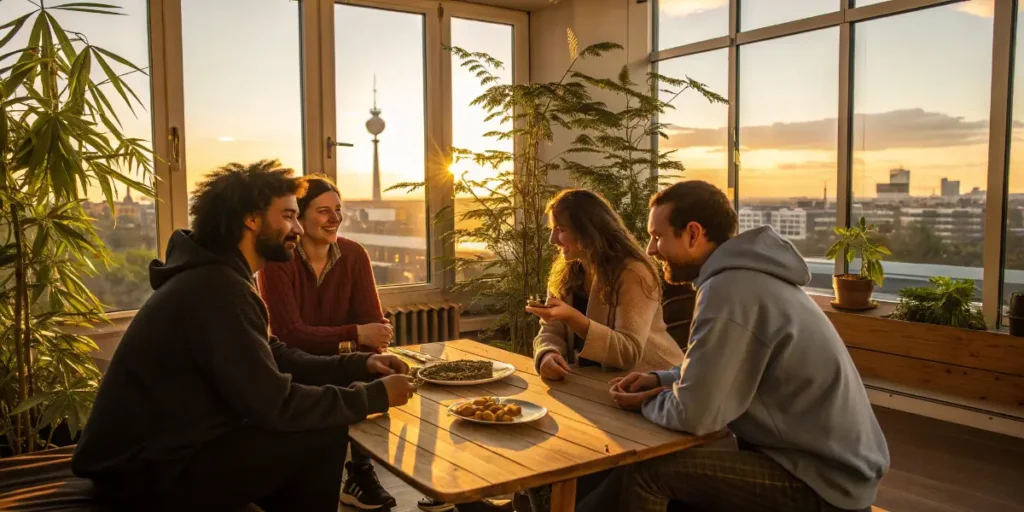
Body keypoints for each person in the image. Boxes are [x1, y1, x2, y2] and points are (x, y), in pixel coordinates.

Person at [72, 160, 418, 512]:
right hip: (147, 476)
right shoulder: (218, 290)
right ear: (251, 219)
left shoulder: (220, 276)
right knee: (323, 431)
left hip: (161, 455)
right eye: (287, 216)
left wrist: (361, 364)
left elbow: (274, 353)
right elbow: (275, 405)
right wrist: (373, 397)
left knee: (311, 427)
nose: (297, 228)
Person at [578, 180, 889, 512]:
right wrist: (661, 380)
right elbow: (721, 369)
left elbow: (696, 414)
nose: (651, 249)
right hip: (823, 465)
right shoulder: (746, 278)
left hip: (820, 483)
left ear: (693, 234)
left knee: (647, 474)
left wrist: (645, 403)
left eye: (657, 236)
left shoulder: (729, 290)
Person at [257, 174, 399, 510]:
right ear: (300, 217)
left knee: (377, 370)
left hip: (340, 361)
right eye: (323, 211)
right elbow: (289, 334)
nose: (334, 218)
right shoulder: (278, 260)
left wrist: (359, 339)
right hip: (294, 366)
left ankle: (360, 472)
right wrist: (353, 334)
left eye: (338, 209)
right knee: (336, 381)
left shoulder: (354, 254)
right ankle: (312, 479)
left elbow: (373, 327)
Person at [527, 189, 684, 379]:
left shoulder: (633, 272)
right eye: (552, 230)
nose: (552, 240)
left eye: (560, 230)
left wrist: (573, 318)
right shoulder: (565, 271)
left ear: (588, 231)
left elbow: (629, 353)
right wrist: (547, 354)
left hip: (655, 385)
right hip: (593, 383)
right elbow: (551, 330)